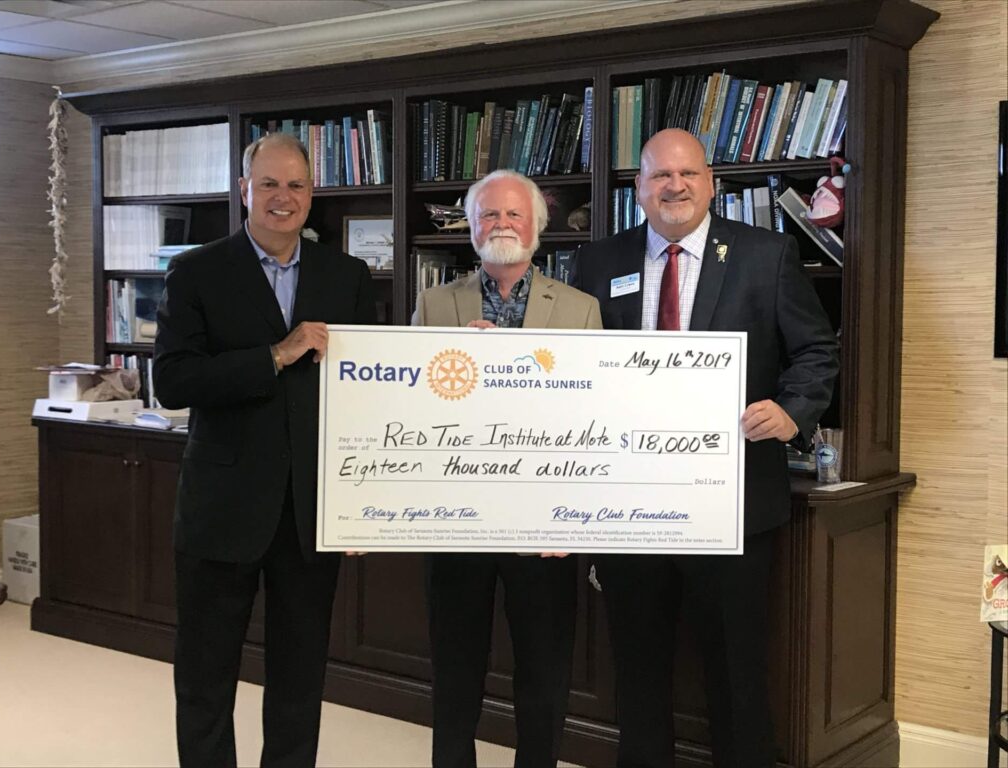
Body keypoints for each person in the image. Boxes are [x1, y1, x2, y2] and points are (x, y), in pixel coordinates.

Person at [571, 129, 839, 768]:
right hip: (629, 506)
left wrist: (790, 409)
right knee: (637, 672)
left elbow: (816, 352)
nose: (675, 187)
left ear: (710, 183)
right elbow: (574, 364)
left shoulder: (764, 255)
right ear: (639, 188)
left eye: (688, 174)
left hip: (734, 501)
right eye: (660, 176)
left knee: (736, 671)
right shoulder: (598, 262)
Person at [154, 132, 376, 768]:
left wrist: (362, 500)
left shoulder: (348, 276)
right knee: (204, 676)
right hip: (221, 508)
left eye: (297, 185)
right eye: (270, 184)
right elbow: (172, 382)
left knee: (299, 680)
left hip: (310, 514)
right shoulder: (197, 270)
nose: (284, 198)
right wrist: (275, 356)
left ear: (313, 196)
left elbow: (365, 393)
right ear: (245, 190)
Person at [413, 169, 601, 768]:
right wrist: (454, 367)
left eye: (513, 215)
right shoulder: (435, 304)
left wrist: (572, 521)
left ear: (536, 229)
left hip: (542, 524)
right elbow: (410, 404)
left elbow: (593, 414)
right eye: (488, 215)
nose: (501, 225)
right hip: (457, 518)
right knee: (454, 668)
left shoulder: (579, 308)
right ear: (469, 228)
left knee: (543, 672)